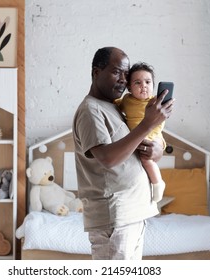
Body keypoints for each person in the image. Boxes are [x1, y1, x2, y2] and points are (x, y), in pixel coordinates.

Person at [72, 47, 174, 260]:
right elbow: (108, 159)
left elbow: (134, 147)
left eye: (126, 74)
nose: (123, 79)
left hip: (132, 213)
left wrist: (157, 149)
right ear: (96, 72)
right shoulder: (91, 111)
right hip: (115, 218)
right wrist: (147, 124)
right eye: (116, 72)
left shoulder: (116, 107)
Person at [115, 62, 166, 203]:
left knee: (146, 159)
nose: (143, 85)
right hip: (136, 137)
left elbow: (160, 123)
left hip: (153, 135)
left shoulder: (155, 102)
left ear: (153, 85)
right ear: (129, 88)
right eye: (137, 82)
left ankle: (158, 184)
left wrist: (148, 136)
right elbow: (115, 105)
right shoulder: (127, 100)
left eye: (148, 82)